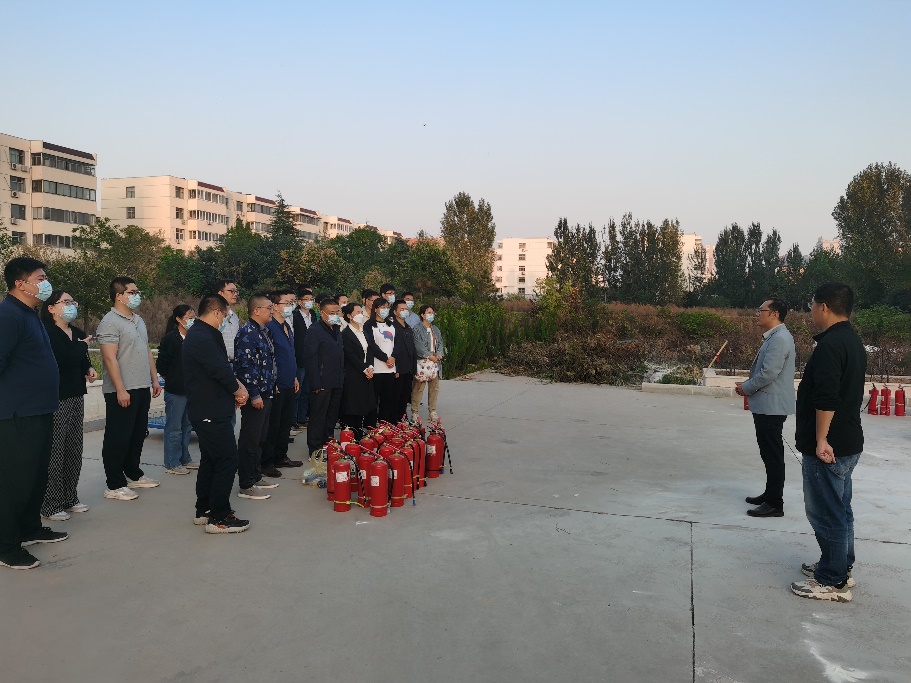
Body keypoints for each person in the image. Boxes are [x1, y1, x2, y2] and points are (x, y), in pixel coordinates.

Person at [790, 283, 866, 603]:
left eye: (812, 305)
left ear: (823, 307)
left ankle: (833, 581)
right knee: (841, 510)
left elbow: (826, 398)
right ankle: (839, 566)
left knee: (826, 512)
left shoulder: (830, 346)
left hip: (829, 447)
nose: (811, 311)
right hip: (848, 442)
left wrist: (821, 439)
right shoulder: (852, 341)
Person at [0, 258, 68, 570]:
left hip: (39, 409)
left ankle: (29, 527)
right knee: (15, 480)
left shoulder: (30, 314)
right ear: (20, 283)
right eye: (40, 278)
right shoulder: (7, 315)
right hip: (17, 414)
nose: (45, 283)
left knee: (36, 475)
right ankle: (6, 546)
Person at [182, 294, 251, 533]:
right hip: (208, 409)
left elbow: (223, 367)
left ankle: (205, 509)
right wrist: (239, 391)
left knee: (211, 459)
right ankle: (219, 517)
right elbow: (219, 370)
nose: (226, 320)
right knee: (227, 459)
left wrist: (237, 390)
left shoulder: (207, 334)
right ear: (216, 312)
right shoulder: (201, 336)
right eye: (226, 315)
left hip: (213, 407)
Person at [97, 277, 162, 500]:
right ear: (119, 296)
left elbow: (146, 351)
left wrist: (154, 379)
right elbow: (109, 358)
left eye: (137, 291)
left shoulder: (138, 320)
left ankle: (133, 473)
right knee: (118, 436)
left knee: (137, 434)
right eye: (132, 292)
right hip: (122, 389)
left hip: (142, 385)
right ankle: (114, 484)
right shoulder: (109, 322)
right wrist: (120, 389)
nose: (137, 295)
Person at [735, 298, 795, 518]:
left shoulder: (779, 338)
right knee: (769, 453)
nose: (757, 314)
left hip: (772, 406)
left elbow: (769, 373)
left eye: (761, 310)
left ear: (775, 313)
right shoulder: (776, 337)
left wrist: (746, 387)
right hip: (768, 405)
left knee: (772, 454)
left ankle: (774, 503)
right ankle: (770, 494)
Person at [41, 290, 97, 521]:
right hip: (57, 398)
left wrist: (89, 369)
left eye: (72, 301)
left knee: (74, 448)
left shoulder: (77, 333)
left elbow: (81, 360)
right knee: (55, 451)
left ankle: (69, 497)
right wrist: (81, 348)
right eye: (65, 302)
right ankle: (50, 504)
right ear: (51, 308)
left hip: (76, 395)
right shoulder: (48, 332)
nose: (71, 305)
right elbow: (64, 359)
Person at [233, 294, 279, 501]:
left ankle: (255, 475)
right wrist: (254, 394)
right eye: (269, 308)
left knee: (260, 438)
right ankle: (246, 483)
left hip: (266, 392)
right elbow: (245, 368)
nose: (272, 311)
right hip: (256, 395)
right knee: (250, 440)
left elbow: (268, 362)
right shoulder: (247, 333)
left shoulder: (264, 331)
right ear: (256, 310)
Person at [261, 289, 301, 476]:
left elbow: (289, 354)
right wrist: (273, 380)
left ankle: (281, 456)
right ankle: (267, 461)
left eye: (292, 303)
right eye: (287, 303)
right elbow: (269, 358)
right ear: (275, 306)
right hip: (276, 384)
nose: (290, 306)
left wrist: (294, 376)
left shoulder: (287, 326)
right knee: (273, 425)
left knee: (285, 423)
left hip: (288, 381)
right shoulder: (270, 328)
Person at [156, 305, 198, 475]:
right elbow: (162, 365)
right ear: (179, 319)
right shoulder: (170, 339)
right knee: (174, 428)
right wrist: (172, 378)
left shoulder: (194, 337)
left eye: (194, 317)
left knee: (187, 426)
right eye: (189, 317)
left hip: (191, 389)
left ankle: (184, 458)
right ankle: (172, 463)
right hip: (176, 391)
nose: (192, 320)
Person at [303, 298, 345, 455]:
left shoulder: (336, 329)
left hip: (336, 379)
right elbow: (310, 358)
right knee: (318, 416)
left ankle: (328, 442)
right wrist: (315, 383)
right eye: (331, 313)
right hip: (322, 381)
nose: (335, 315)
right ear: (322, 313)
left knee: (331, 415)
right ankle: (315, 448)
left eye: (337, 312)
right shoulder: (315, 331)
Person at [339, 303, 376, 436]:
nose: (361, 315)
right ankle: (350, 432)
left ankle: (359, 429)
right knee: (352, 404)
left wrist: (370, 367)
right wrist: (364, 369)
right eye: (358, 312)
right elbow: (350, 355)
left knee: (363, 403)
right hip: (353, 373)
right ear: (349, 316)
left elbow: (370, 350)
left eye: (361, 312)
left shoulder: (363, 331)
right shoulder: (346, 334)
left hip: (366, 372)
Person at [365, 297, 398, 423]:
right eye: (382, 307)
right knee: (373, 398)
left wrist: (393, 358)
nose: (385, 310)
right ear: (375, 309)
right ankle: (371, 424)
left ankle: (385, 423)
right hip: (376, 367)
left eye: (387, 307)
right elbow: (371, 345)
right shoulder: (369, 325)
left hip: (390, 367)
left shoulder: (391, 325)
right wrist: (385, 358)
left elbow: (397, 343)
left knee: (387, 398)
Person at [411, 305, 445, 422]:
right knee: (419, 388)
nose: (431, 315)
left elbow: (440, 343)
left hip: (435, 363)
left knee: (434, 388)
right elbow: (418, 345)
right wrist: (429, 356)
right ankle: (415, 412)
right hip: (422, 362)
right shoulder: (416, 329)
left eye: (432, 312)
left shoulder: (435, 329)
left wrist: (439, 354)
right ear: (422, 315)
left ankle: (432, 411)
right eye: (429, 312)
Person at [292, 288, 316, 430]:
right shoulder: (295, 316)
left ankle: (302, 418)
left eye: (311, 299)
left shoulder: (312, 315)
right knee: (297, 391)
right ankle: (293, 420)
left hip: (311, 358)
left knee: (307, 390)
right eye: (306, 299)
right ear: (299, 302)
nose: (309, 302)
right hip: (299, 358)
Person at [389, 299, 417, 421]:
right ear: (395, 312)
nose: (405, 311)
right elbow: (391, 349)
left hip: (408, 368)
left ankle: (402, 418)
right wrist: (395, 368)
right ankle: (394, 420)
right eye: (402, 309)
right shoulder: (392, 327)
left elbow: (412, 349)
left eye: (406, 309)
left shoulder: (408, 328)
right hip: (398, 368)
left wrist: (414, 368)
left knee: (405, 395)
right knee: (396, 396)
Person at [215, 280, 240, 363]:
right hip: (220, 363)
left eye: (236, 291)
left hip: (235, 363)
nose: (235, 294)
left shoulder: (234, 317)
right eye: (231, 291)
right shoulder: (215, 316)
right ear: (220, 293)